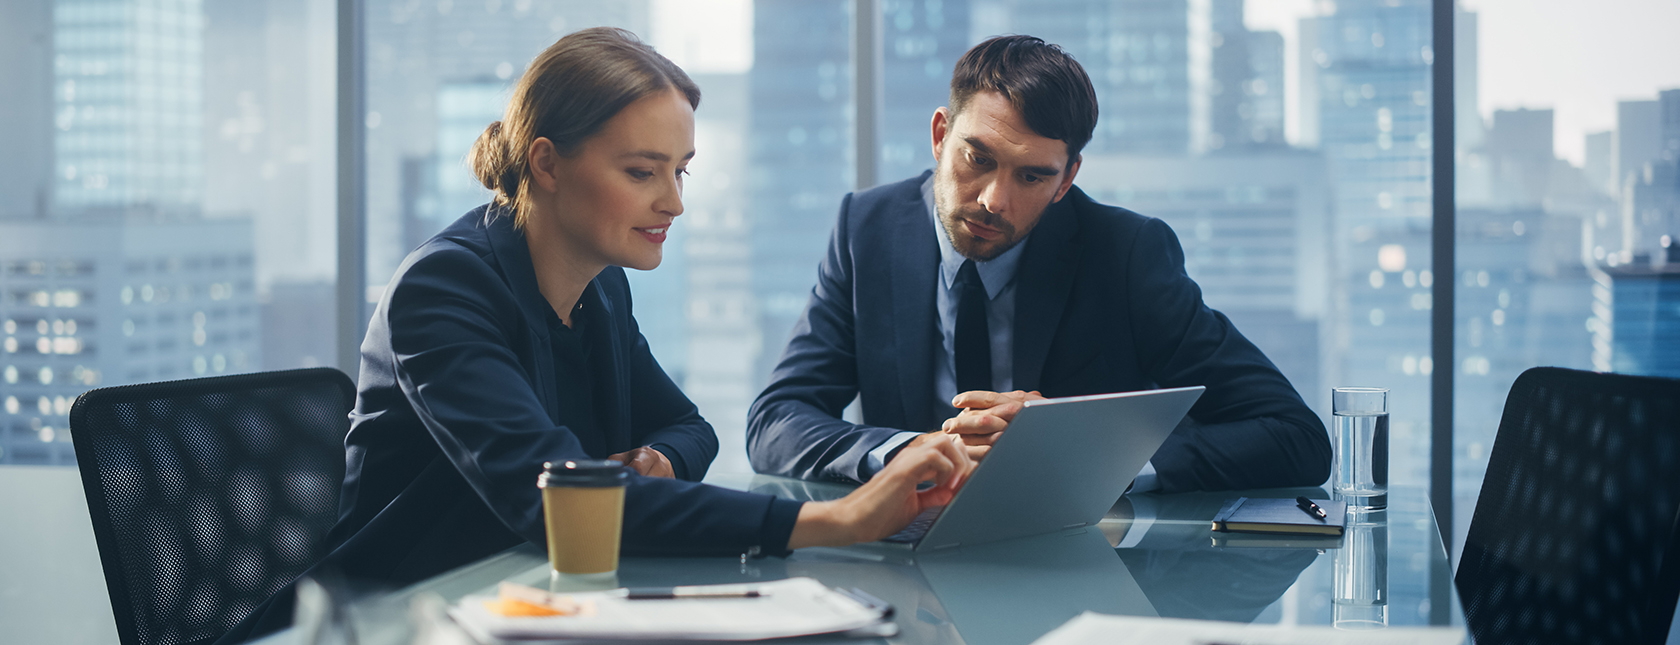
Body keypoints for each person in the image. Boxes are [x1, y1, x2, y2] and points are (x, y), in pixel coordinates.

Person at [217, 27, 971, 644]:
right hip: (401, 618)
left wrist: (656, 458)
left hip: (536, 601)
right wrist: (835, 519)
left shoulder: (601, 284)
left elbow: (689, 427)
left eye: (682, 170)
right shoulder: (442, 289)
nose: (673, 201)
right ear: (547, 162)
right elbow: (554, 502)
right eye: (644, 171)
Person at [746, 35, 1330, 492]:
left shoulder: (1125, 254)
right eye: (978, 158)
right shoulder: (866, 230)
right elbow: (775, 420)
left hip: (1084, 573)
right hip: (907, 565)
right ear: (940, 135)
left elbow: (1294, 437)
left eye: (1032, 176)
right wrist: (905, 452)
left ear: (1066, 180)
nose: (995, 200)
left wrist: (1084, 452)